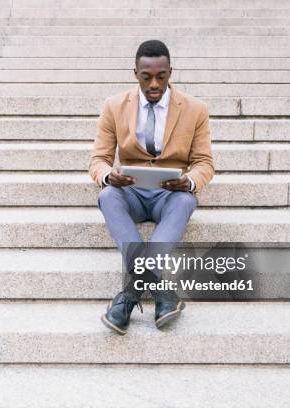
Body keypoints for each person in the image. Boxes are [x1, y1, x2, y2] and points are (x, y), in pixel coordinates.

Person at [88, 39, 215, 335]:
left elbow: (205, 163)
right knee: (107, 195)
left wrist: (190, 181)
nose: (154, 84)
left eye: (161, 76)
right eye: (147, 77)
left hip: (169, 194)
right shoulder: (114, 106)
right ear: (135, 73)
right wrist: (109, 175)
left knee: (186, 201)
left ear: (171, 71)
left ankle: (130, 295)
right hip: (130, 192)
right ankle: (161, 293)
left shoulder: (195, 109)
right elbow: (98, 159)